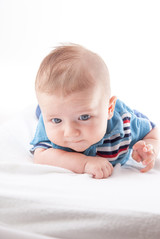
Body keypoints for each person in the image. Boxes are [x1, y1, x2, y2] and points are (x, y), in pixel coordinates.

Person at [30, 44, 160, 179]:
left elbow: (153, 131)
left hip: (120, 113)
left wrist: (150, 148)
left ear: (109, 109)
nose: (70, 133)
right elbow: (41, 157)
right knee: (44, 111)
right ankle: (41, 108)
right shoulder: (47, 124)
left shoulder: (125, 124)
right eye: (57, 120)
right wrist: (84, 163)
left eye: (84, 117)